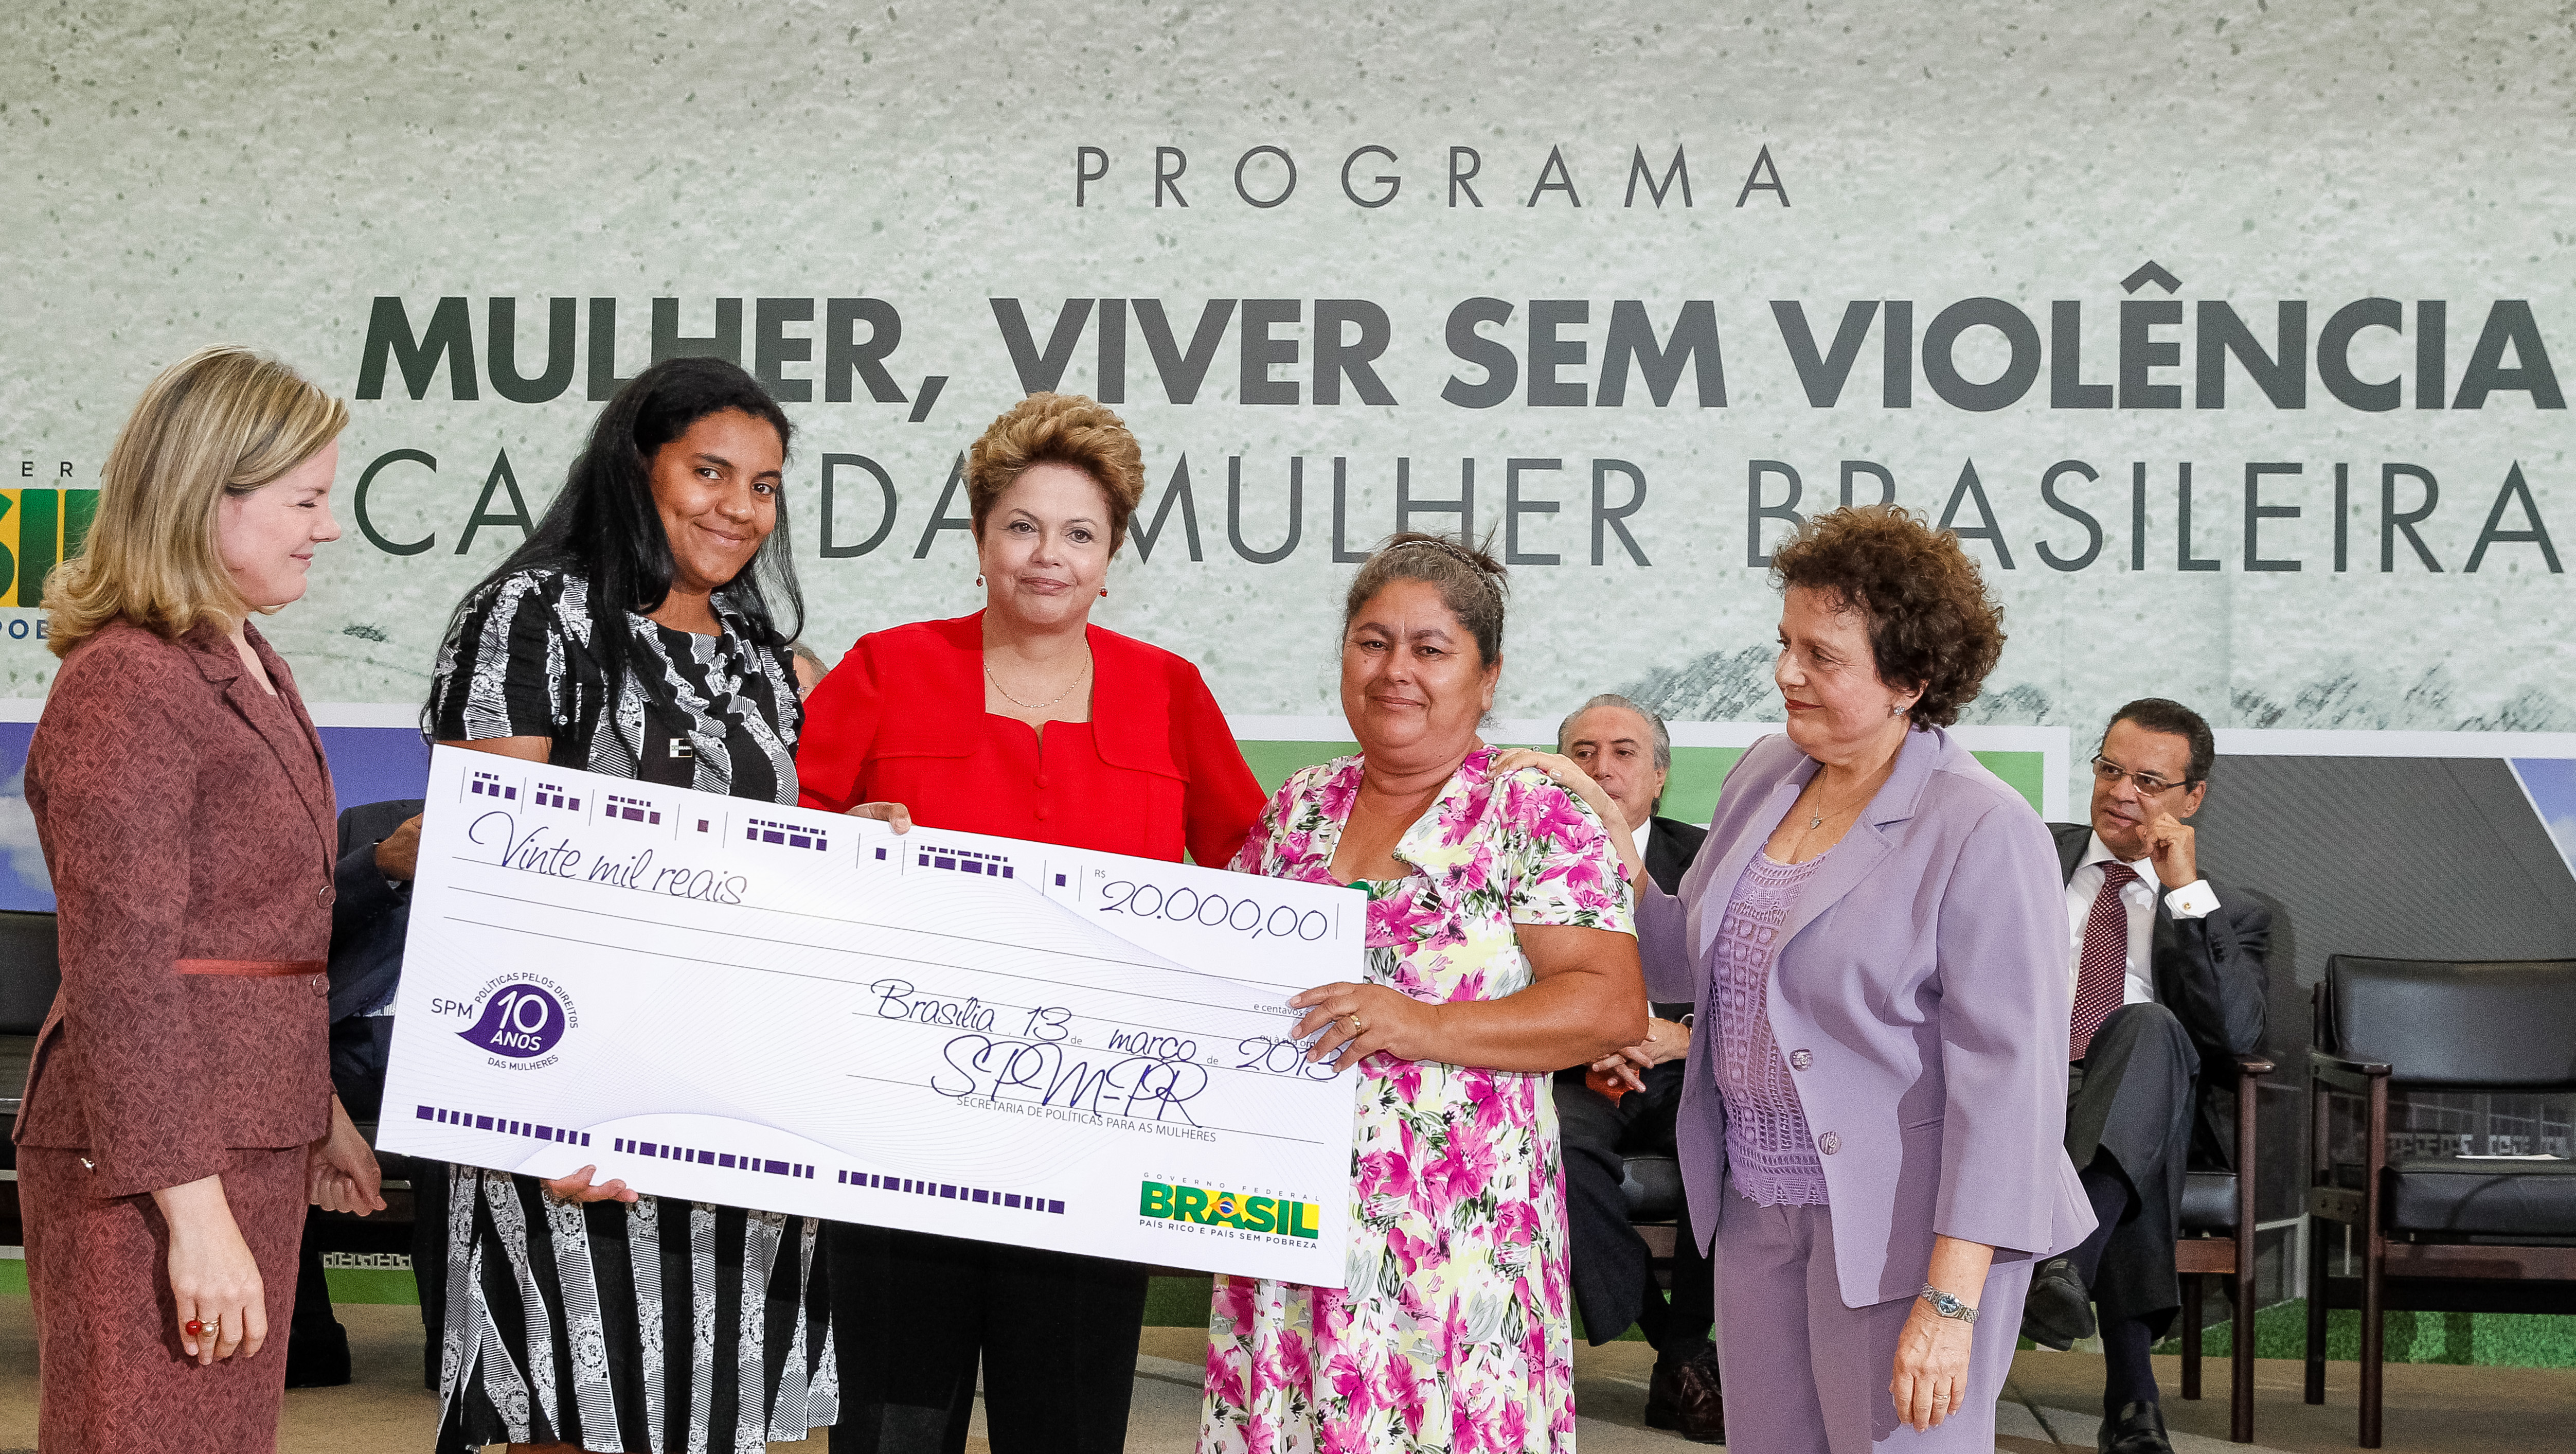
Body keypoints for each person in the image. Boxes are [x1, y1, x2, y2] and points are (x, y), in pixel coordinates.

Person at [1531, 505, 2093, 1452]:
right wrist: (1593, 823)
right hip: (1756, 1211)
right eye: (1783, 642)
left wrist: (1948, 1302)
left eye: (1821, 655)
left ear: (1910, 678)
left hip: (1912, 1236)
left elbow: (2012, 1090)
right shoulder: (1767, 772)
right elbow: (1678, 952)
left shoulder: (1982, 827)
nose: (1786, 672)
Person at [796, 391, 1268, 1454]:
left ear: (1110, 560)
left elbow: (1260, 874)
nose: (1046, 556)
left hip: (1093, 1144)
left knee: (1064, 1422)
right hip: (897, 1126)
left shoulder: (1169, 692)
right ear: (976, 542)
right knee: (893, 1425)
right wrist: (839, 841)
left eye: (1078, 533)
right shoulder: (884, 669)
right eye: (1020, 526)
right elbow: (777, 856)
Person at [425, 356, 832, 1453]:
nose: (739, 509)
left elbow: (788, 874)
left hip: (736, 1108)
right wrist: (530, 1114)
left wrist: (857, 847)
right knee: (576, 1413)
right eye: (709, 471)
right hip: (573, 1106)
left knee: (709, 1417)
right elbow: (485, 882)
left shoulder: (767, 661)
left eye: (764, 485)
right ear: (635, 464)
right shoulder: (532, 615)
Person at [1196, 534, 1648, 1454]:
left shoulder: (1531, 811)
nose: (1394, 669)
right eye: (1371, 642)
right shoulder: (1298, 808)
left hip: (1452, 1250)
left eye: (1430, 649)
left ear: (1487, 678)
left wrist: (1419, 1022)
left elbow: (1607, 1005)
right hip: (1281, 1233)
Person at [13, 344, 384, 1452]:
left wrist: (319, 1115)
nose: (326, 528)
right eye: (305, 500)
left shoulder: (245, 656)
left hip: (240, 1142)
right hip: (153, 1164)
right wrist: (194, 1210)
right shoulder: (128, 684)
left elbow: (260, 936)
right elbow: (122, 976)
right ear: (199, 497)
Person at [2020, 699, 2270, 1454]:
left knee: (2148, 1029)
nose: (2122, 792)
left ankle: (2065, 1257)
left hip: (2138, 1085)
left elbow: (2237, 1037)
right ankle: (2132, 1397)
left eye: (2150, 781)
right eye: (2110, 769)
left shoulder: (2233, 912)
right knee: (2133, 1148)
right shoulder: (2026, 854)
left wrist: (2185, 888)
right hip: (2019, 1083)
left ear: (2192, 798)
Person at [1549, 694, 1721, 1441]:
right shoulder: (1530, 852)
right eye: (1582, 752)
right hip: (1570, 1067)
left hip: (1682, 1060)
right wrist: (1592, 1035)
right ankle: (1679, 1351)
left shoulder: (1711, 857)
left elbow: (1748, 981)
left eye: (1623, 752)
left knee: (1727, 1137)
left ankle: (1681, 1352)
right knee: (1554, 1147)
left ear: (1658, 777)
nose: (1601, 768)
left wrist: (1685, 1036)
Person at [284, 797, 435, 1392]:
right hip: (344, 1036)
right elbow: (298, 928)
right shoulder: (371, 823)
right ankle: (304, 1346)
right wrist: (381, 866)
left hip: (450, 1047)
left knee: (456, 1150)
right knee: (269, 1122)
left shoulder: (562, 834)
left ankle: (450, 1349)